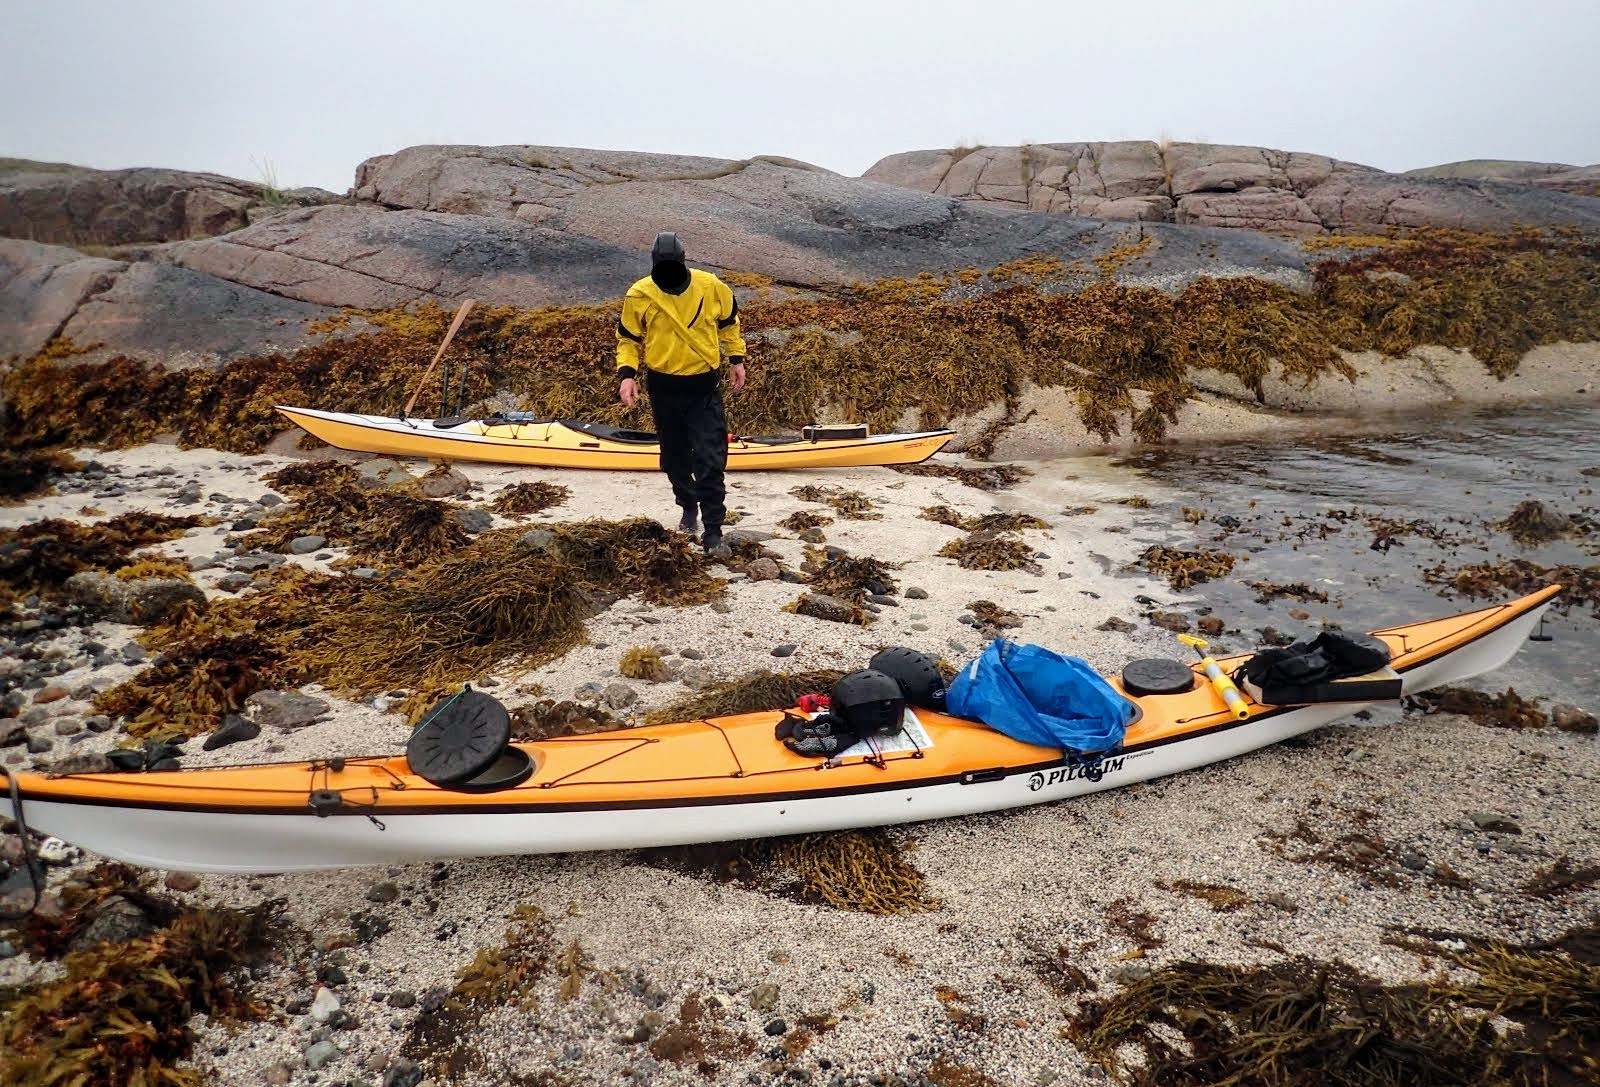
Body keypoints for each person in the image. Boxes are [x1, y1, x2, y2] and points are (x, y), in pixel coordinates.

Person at [615, 232, 747, 553]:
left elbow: (729, 324)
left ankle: (713, 529)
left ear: (684, 261)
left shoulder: (712, 287)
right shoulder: (640, 294)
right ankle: (688, 506)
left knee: (710, 458)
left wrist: (736, 359)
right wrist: (627, 375)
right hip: (663, 388)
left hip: (703, 386)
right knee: (674, 460)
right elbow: (629, 339)